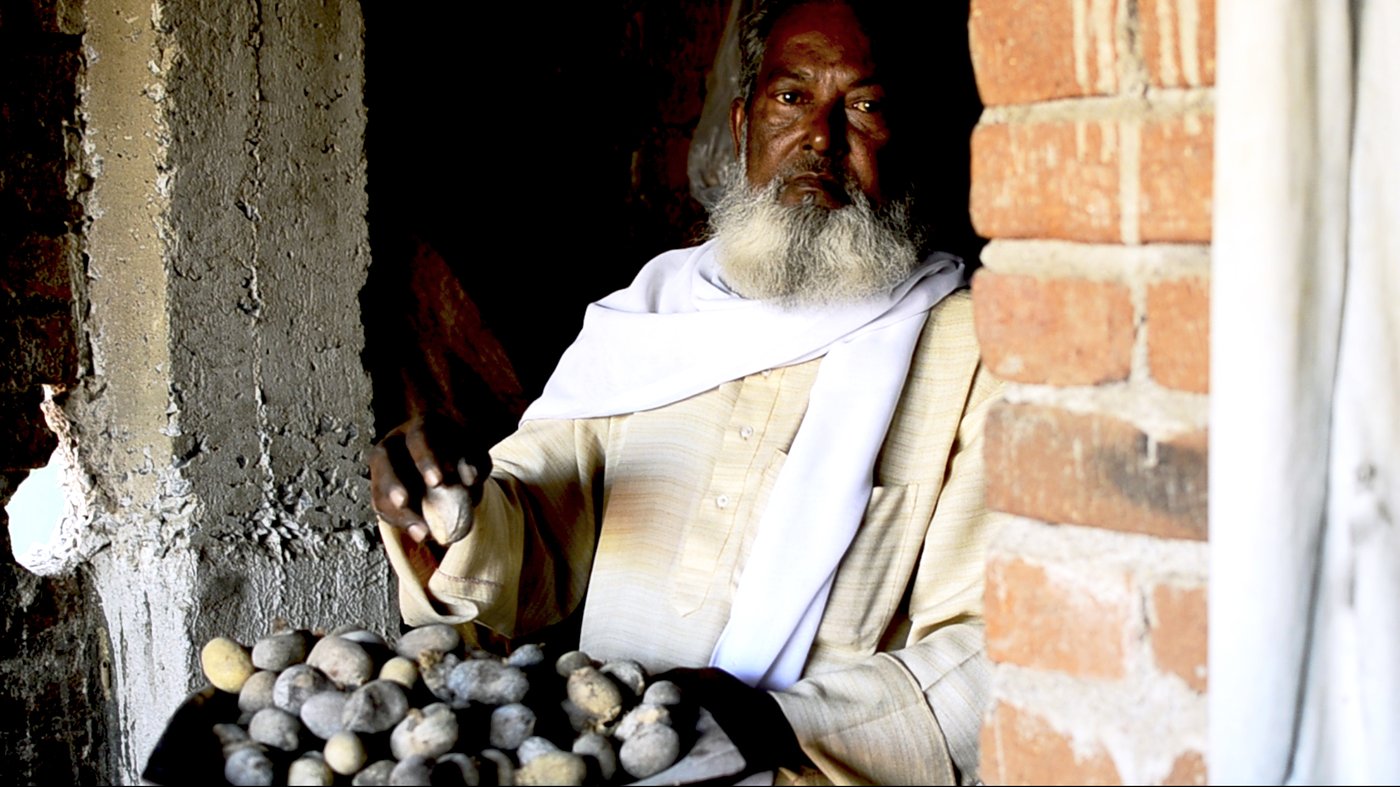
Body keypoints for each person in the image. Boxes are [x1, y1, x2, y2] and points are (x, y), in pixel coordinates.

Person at [369, 1, 1003, 783]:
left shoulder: (972, 352)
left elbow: (988, 655)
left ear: (908, 135)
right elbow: (529, 529)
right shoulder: (654, 316)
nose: (819, 138)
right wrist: (445, 501)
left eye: (864, 105)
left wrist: (771, 722)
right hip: (607, 762)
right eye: (791, 97)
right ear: (743, 126)